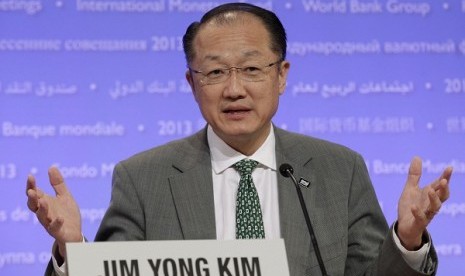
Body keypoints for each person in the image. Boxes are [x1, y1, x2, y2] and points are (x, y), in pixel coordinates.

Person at [26, 3, 453, 276]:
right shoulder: (143, 178)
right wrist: (72, 251)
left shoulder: (339, 168)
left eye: (251, 69)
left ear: (281, 75)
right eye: (214, 72)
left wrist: (408, 241)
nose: (234, 89)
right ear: (192, 83)